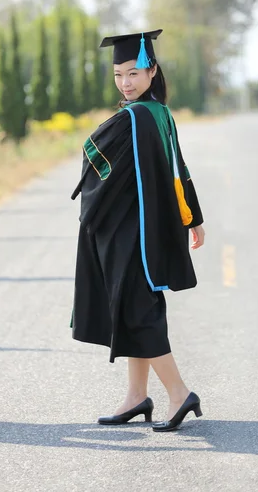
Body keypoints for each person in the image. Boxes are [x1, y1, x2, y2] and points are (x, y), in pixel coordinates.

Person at [70, 29, 205, 432]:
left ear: (151, 70)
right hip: (154, 230)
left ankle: (180, 395)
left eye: (133, 72)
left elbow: (94, 158)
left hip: (134, 236)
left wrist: (90, 213)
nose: (126, 83)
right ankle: (136, 397)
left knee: (140, 314)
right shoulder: (160, 113)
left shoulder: (132, 118)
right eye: (118, 75)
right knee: (135, 313)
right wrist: (192, 217)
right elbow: (179, 168)